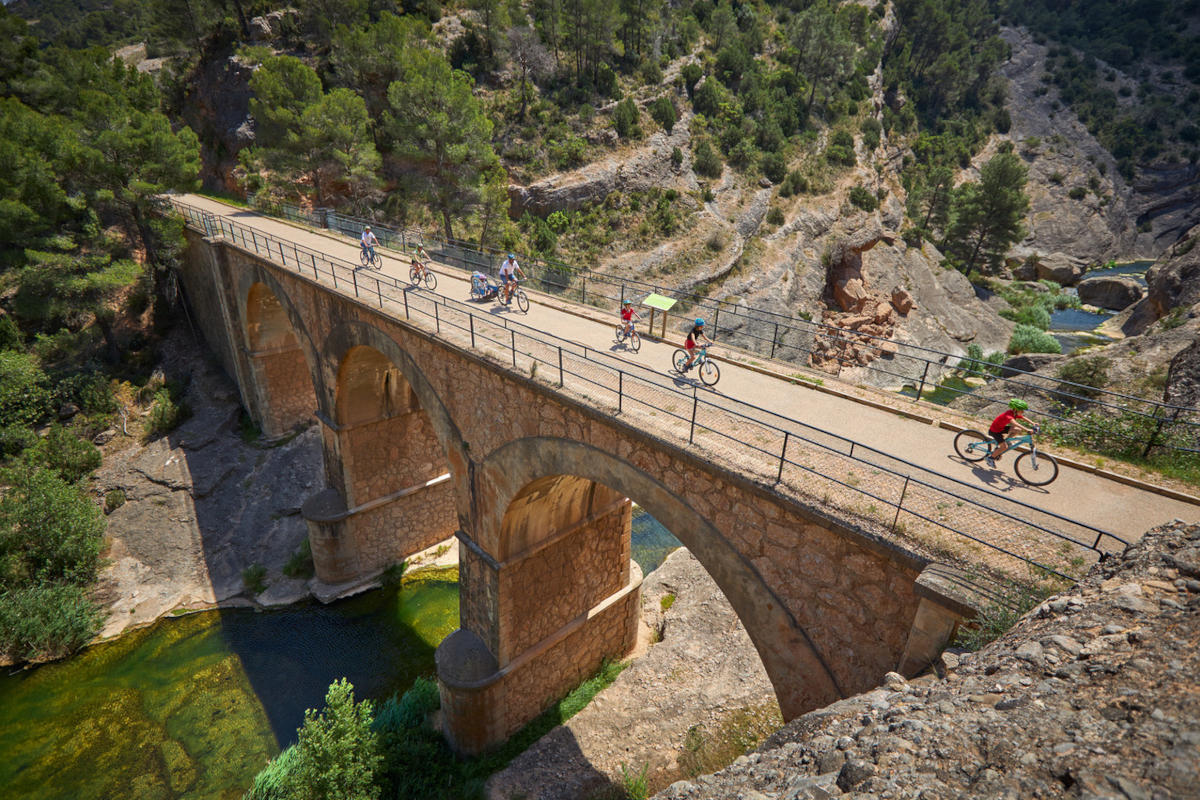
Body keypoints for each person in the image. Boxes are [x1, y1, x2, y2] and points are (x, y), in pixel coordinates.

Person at [986, 398, 1034, 467]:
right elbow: (1014, 423)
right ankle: (990, 458)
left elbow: (1023, 418)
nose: (1023, 412)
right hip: (995, 431)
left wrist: (1033, 423)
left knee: (1018, 429)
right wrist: (1027, 429)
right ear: (1015, 409)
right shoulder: (1009, 414)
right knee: (1004, 447)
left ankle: (1007, 440)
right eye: (1022, 410)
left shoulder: (1014, 413)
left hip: (1001, 428)